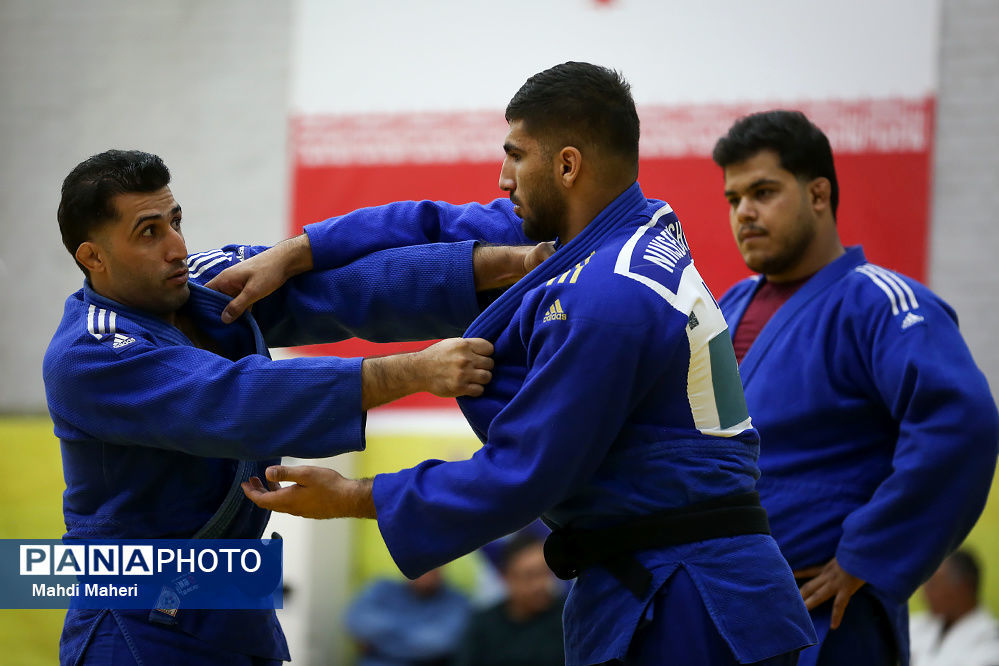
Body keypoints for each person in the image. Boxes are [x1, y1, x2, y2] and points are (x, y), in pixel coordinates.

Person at [240, 62, 816, 665]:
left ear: (567, 166)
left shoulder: (609, 296)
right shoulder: (610, 232)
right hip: (653, 575)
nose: (503, 177)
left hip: (691, 596)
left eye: (515, 156)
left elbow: (525, 469)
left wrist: (355, 495)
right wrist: (295, 252)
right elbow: (426, 223)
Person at [44, 149, 538, 665]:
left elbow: (349, 288)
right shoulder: (88, 353)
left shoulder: (205, 285)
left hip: (236, 613)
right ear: (92, 257)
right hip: (135, 621)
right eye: (149, 232)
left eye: (175, 221)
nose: (177, 248)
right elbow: (234, 400)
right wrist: (412, 372)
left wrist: (510, 265)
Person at [710, 110, 999, 666]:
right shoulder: (724, 309)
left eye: (764, 191)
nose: (744, 212)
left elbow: (961, 424)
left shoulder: (879, 302)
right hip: (725, 614)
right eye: (733, 198)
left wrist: (871, 554)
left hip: (830, 616)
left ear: (818, 194)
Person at [454, 532, 565, 666]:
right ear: (506, 576)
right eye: (529, 576)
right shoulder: (484, 627)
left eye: (544, 573)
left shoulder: (567, 616)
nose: (539, 585)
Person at [345, 568, 470, 666]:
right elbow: (355, 620)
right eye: (418, 563)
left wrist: (380, 641)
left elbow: (437, 644)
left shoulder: (457, 601)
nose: (425, 571)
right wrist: (416, 629)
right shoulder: (382, 588)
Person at [910, 549, 999, 666]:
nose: (925, 595)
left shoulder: (990, 640)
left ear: (964, 587)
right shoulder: (918, 625)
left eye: (934, 586)